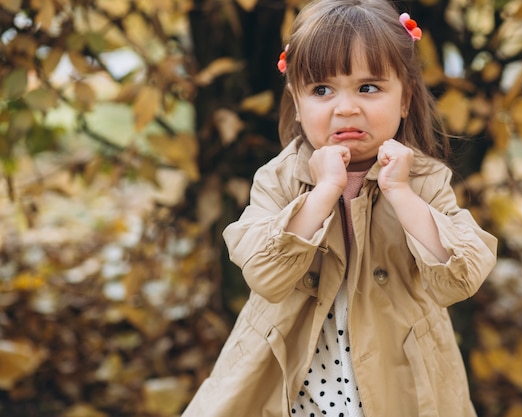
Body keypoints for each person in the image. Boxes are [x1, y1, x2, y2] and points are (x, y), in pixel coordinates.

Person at [181, 0, 497, 415]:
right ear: (296, 101)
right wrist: (323, 192)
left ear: (405, 99)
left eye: (369, 88)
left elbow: (460, 278)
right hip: (296, 382)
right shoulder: (280, 177)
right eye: (322, 90)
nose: (346, 108)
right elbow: (264, 273)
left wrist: (402, 194)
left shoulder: (423, 179)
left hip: (399, 382)